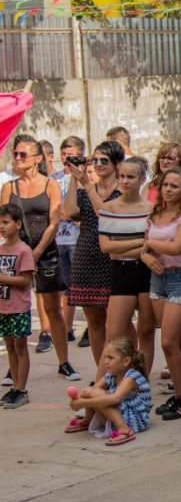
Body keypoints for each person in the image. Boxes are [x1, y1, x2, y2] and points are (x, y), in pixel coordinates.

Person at [1, 135, 78, 381]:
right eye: (15, 153)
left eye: (23, 154)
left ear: (37, 158)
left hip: (45, 252)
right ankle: (14, 367)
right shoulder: (8, 187)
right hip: (14, 255)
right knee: (12, 309)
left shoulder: (50, 184)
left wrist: (35, 252)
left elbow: (54, 221)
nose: (18, 157)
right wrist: (20, 252)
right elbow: (3, 221)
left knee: (53, 309)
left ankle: (63, 362)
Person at [142, 167, 181, 421]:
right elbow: (145, 249)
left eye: (174, 186)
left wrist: (146, 245)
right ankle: (180, 395)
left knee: (168, 341)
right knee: (176, 342)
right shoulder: (155, 213)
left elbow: (177, 247)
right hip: (158, 277)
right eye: (166, 184)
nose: (168, 189)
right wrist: (145, 254)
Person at [64, 141, 125, 378]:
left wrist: (87, 184)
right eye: (95, 160)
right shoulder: (85, 189)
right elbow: (70, 211)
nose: (98, 164)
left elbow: (106, 214)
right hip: (85, 257)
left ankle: (125, 372)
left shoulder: (123, 191)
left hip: (112, 259)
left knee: (118, 324)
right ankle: (103, 375)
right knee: (95, 323)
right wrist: (73, 177)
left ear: (117, 163)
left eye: (104, 160)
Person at [97, 157, 157, 377]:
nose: (124, 181)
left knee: (147, 332)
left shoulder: (152, 209)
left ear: (142, 179)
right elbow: (106, 248)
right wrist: (140, 243)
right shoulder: (108, 208)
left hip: (147, 272)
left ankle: (142, 384)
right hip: (121, 273)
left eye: (130, 177)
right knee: (113, 336)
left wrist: (137, 247)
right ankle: (109, 384)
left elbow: (152, 246)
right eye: (121, 176)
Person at [64, 337, 152, 447]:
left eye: (110, 358)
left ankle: (124, 429)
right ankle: (87, 420)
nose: (106, 361)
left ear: (126, 361)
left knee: (97, 394)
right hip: (121, 414)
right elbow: (92, 390)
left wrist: (83, 403)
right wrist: (78, 399)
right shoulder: (112, 374)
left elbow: (115, 399)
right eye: (105, 357)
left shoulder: (131, 377)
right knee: (89, 390)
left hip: (134, 420)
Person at [0, 203, 36, 409]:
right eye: (0, 223)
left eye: (6, 222)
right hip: (3, 307)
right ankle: (14, 387)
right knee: (10, 347)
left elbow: (25, 280)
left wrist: (3, 277)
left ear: (18, 224)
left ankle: (22, 390)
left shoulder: (24, 250)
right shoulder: (0, 249)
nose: (2, 227)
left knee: (21, 347)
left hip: (19, 308)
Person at [51, 136, 85, 346]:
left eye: (71, 154)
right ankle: (68, 328)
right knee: (64, 287)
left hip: (78, 240)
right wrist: (66, 212)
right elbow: (53, 209)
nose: (66, 158)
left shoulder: (84, 177)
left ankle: (84, 326)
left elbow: (77, 211)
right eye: (63, 154)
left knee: (79, 286)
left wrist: (65, 212)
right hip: (58, 239)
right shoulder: (53, 179)